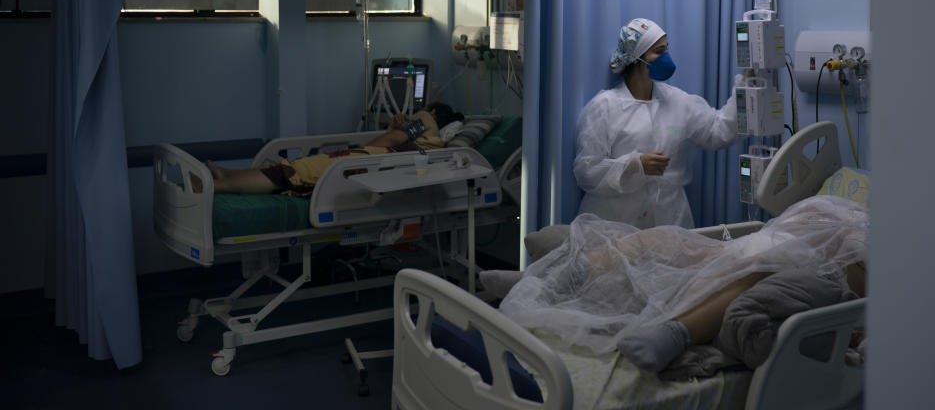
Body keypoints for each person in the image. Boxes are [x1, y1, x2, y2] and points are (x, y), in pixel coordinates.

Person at [494, 194, 868, 374]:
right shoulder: (833, 203)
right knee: (655, 239)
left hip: (769, 269)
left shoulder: (872, 240)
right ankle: (541, 282)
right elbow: (775, 227)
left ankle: (674, 335)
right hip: (735, 250)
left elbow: (857, 297)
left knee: (758, 270)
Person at [574, 18, 744, 229]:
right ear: (636, 58)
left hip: (669, 220)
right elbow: (586, 172)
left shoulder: (678, 102)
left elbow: (719, 131)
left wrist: (746, 90)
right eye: (658, 52)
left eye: (666, 50)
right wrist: (635, 165)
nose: (667, 58)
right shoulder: (604, 107)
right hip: (615, 223)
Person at [202, 102, 464, 196]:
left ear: (432, 113)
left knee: (295, 172)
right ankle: (227, 175)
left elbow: (393, 141)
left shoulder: (427, 118)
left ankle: (215, 186)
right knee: (294, 169)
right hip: (381, 162)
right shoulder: (431, 140)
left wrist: (368, 146)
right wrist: (397, 130)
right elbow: (401, 140)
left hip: (373, 159)